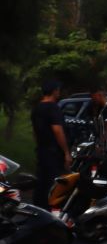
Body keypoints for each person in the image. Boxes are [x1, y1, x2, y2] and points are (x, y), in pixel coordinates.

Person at [31, 79, 70, 210]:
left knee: (41, 181)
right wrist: (66, 152)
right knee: (53, 183)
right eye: (58, 90)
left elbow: (35, 131)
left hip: (42, 150)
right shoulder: (53, 108)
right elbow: (58, 131)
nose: (59, 92)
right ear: (54, 91)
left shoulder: (37, 108)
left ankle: (37, 208)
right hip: (53, 152)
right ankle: (49, 210)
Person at [89, 86, 107, 157]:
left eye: (94, 97)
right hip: (103, 148)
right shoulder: (101, 109)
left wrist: (100, 143)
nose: (93, 100)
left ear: (99, 95)